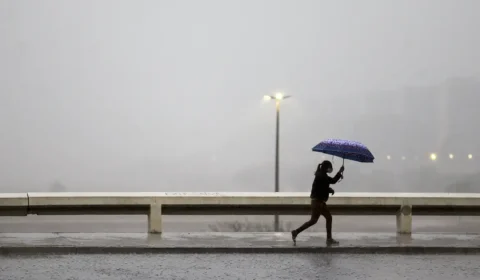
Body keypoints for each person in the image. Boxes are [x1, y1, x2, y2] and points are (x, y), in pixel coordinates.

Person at [291, 160, 344, 246]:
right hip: (318, 203)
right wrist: (340, 172)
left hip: (318, 202)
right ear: (327, 168)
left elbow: (323, 187)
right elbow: (332, 181)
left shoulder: (321, 175)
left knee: (316, 220)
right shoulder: (322, 176)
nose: (331, 169)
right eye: (330, 167)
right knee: (324, 218)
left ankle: (296, 232)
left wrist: (330, 188)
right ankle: (329, 239)